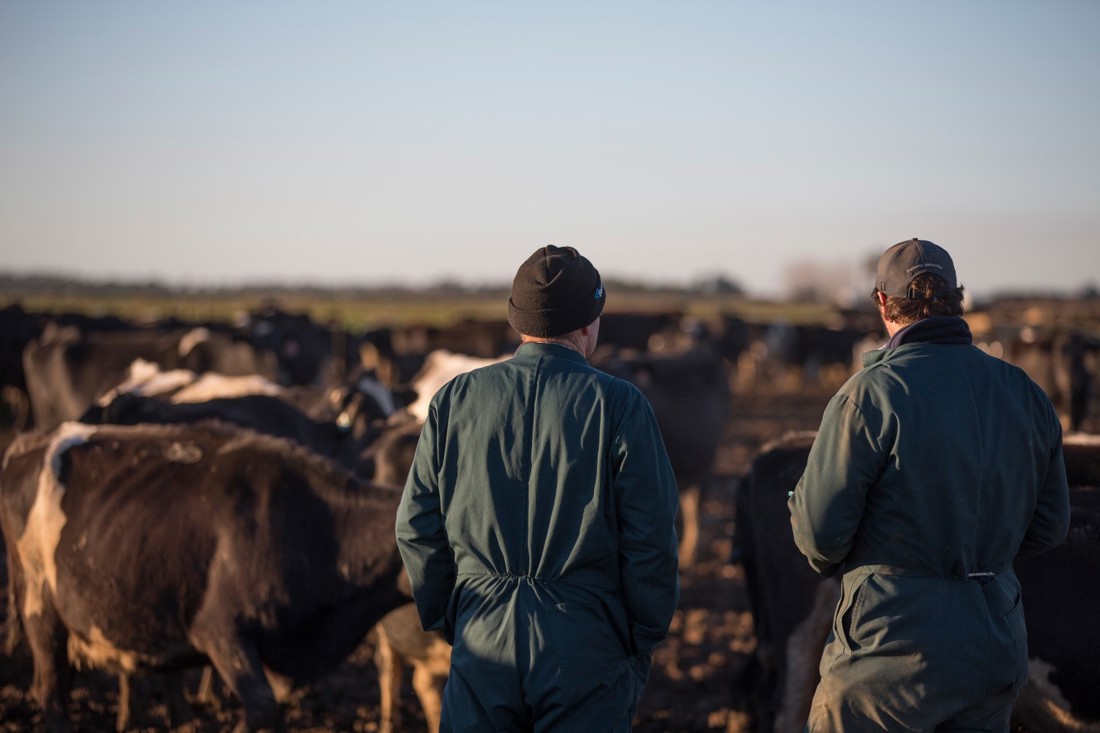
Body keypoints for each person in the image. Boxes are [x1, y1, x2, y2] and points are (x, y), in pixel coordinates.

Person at [787, 238, 1071, 731]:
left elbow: (819, 539)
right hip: (995, 643)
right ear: (957, 299)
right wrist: (981, 552)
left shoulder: (869, 395)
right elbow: (1050, 526)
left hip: (888, 656)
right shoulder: (1026, 393)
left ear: (881, 302)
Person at [396, 244, 680, 732]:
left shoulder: (454, 400)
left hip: (481, 635)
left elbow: (416, 527)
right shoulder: (619, 405)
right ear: (589, 325)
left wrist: (453, 615)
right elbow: (651, 535)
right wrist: (641, 635)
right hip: (587, 643)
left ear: (516, 320)